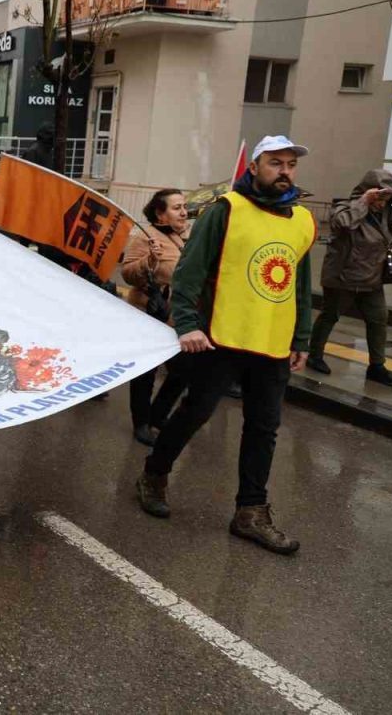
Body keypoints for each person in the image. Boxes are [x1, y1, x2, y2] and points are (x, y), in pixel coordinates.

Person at [136, 136, 315, 555]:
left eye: (290, 164)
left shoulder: (303, 220)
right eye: (275, 162)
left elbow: (300, 285)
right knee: (195, 412)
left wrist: (300, 337)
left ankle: (250, 512)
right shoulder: (227, 210)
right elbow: (190, 271)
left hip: (271, 343)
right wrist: (186, 323)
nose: (284, 170)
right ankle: (154, 474)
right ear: (254, 167)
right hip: (221, 337)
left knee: (264, 429)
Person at [307, 169, 392, 385]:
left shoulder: (387, 213)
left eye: (388, 198)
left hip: (372, 279)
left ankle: (377, 366)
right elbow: (343, 223)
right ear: (369, 192)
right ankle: (315, 356)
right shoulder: (346, 207)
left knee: (379, 320)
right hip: (343, 278)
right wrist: (363, 202)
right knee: (330, 316)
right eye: (380, 197)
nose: (383, 203)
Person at [120, 189, 191, 445]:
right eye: (176, 208)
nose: (183, 212)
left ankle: (157, 415)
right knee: (145, 373)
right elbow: (128, 273)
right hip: (148, 314)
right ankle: (141, 423)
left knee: (183, 372)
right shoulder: (145, 237)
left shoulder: (185, 237)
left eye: (184, 206)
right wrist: (150, 259)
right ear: (160, 213)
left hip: (177, 318)